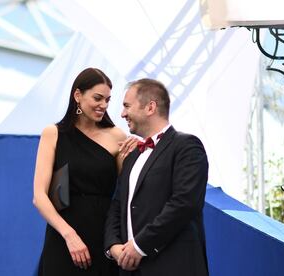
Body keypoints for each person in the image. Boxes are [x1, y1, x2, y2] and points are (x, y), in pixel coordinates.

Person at [33, 68, 134, 275]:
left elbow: (128, 192)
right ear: (78, 95)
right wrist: (69, 235)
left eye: (107, 100)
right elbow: (39, 196)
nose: (103, 105)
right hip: (63, 237)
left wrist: (135, 152)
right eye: (98, 98)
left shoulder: (117, 136)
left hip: (103, 235)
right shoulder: (53, 133)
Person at [104, 78, 209, 276]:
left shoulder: (186, 146)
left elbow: (184, 203)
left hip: (173, 267)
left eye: (127, 106)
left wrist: (140, 246)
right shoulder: (132, 155)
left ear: (150, 107)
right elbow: (117, 206)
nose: (122, 113)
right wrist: (114, 246)